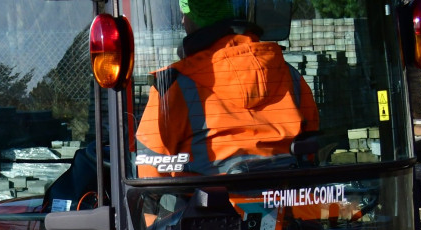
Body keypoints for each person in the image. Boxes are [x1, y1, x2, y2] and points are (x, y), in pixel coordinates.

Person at [135, 0, 320, 177]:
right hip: (287, 197)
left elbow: (150, 172)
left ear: (196, 17)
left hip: (206, 198)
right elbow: (310, 149)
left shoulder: (173, 85)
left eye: (185, 14)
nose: (183, 20)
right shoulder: (291, 76)